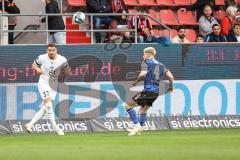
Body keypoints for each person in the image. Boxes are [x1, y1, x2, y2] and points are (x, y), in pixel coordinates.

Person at [125, 47, 174, 136]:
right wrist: (171, 87)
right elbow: (171, 77)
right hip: (156, 92)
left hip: (148, 90)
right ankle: (141, 127)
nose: (143, 56)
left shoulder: (146, 62)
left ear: (148, 54)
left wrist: (136, 81)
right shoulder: (161, 65)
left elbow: (143, 75)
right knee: (142, 110)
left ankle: (137, 125)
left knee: (127, 105)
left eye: (144, 54)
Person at [25, 44, 70, 135]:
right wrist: (37, 69)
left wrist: (65, 72)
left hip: (53, 85)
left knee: (46, 108)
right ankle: (55, 127)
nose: (51, 52)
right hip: (43, 83)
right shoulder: (42, 57)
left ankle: (30, 124)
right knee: (48, 105)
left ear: (56, 50)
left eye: (53, 50)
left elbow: (67, 70)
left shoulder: (62, 59)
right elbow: (33, 65)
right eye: (49, 50)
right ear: (47, 51)